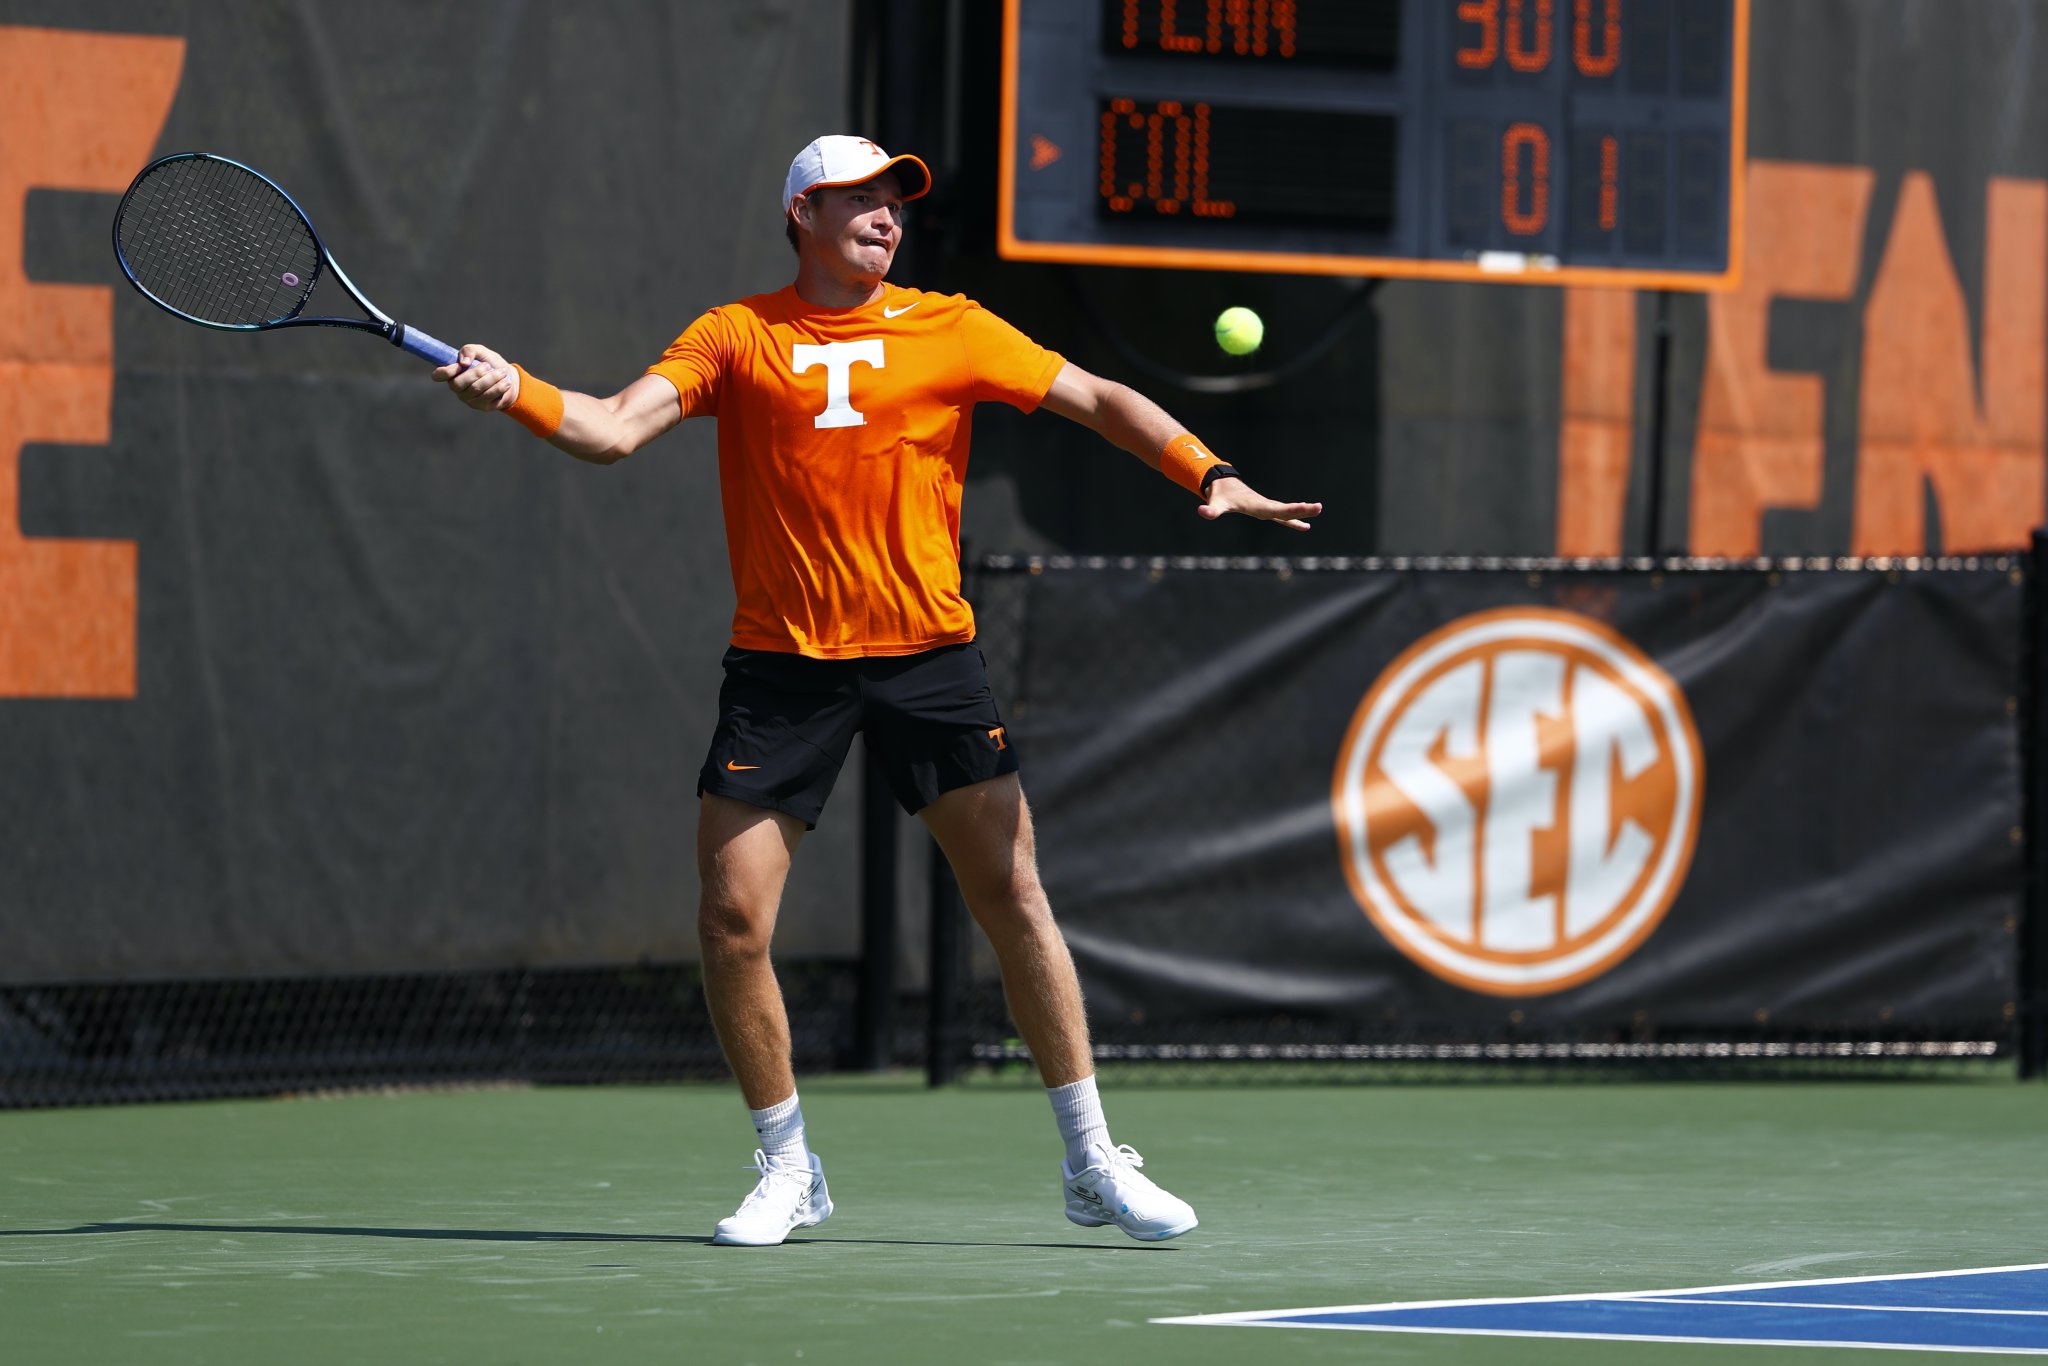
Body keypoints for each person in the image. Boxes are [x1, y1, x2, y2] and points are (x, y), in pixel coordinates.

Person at [437, 135, 1321, 1247]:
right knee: (731, 919)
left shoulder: (954, 325)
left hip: (928, 660)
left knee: (1011, 893)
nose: (885, 215)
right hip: (783, 668)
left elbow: (1097, 397)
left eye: (895, 199)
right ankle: (786, 1167)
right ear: (800, 215)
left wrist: (1210, 472)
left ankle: (1094, 1161)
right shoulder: (734, 334)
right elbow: (610, 428)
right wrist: (513, 389)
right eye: (857, 198)